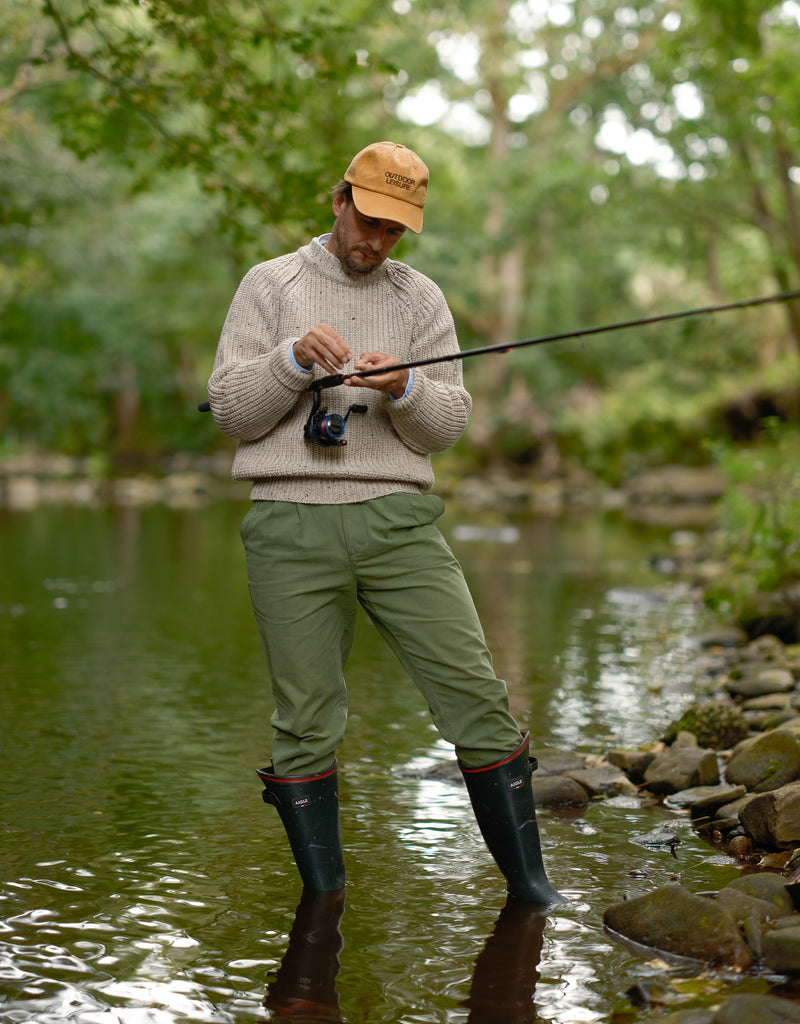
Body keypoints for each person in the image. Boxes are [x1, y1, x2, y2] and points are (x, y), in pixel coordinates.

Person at [208, 141, 564, 907]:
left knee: (477, 698)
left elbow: (446, 427)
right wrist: (290, 361)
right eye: (367, 220)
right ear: (338, 201)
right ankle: (323, 906)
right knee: (304, 722)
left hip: (400, 522)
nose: (375, 241)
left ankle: (532, 893)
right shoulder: (269, 284)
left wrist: (405, 387)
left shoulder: (420, 299)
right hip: (287, 523)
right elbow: (233, 413)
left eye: (393, 229)